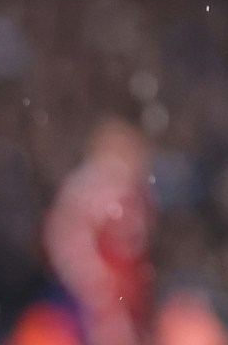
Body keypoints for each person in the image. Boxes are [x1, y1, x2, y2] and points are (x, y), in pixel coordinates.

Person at [36, 120, 154, 345]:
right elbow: (64, 237)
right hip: (92, 292)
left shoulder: (132, 193)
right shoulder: (92, 190)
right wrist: (94, 278)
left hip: (118, 289)